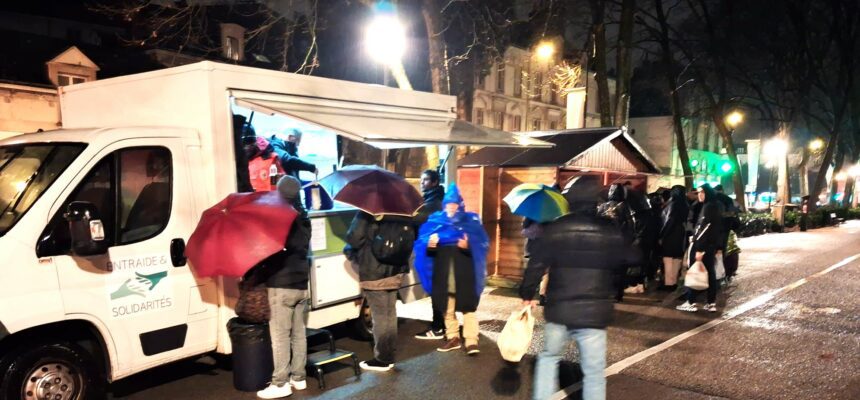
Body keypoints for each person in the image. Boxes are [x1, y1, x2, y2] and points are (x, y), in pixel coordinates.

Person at [521, 175, 640, 400]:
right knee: (593, 371)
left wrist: (527, 292)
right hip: (595, 311)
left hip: (560, 308)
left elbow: (537, 263)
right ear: (594, 201)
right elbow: (631, 256)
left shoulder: (557, 227)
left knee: (548, 358)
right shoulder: (607, 228)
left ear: (571, 201)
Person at [413, 185, 489, 355]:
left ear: (460, 205)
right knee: (447, 309)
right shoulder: (435, 222)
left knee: (468, 309)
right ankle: (453, 337)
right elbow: (427, 253)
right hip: (444, 273)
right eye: (448, 204)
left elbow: (482, 246)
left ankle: (471, 341)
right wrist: (431, 245)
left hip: (464, 273)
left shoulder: (470, 222)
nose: (451, 207)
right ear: (444, 205)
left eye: (454, 204)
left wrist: (468, 246)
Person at [256, 176, 311, 399]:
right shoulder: (303, 218)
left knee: (280, 336)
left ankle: (280, 383)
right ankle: (299, 378)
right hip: (301, 283)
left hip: (281, 284)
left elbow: (271, 250)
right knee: (299, 334)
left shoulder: (278, 218)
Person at [345, 210, 415, 372]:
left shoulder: (367, 212)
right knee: (390, 314)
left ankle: (383, 359)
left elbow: (353, 238)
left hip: (374, 271)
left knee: (381, 317)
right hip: (396, 270)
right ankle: (388, 354)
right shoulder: (403, 213)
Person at [676, 184, 725, 313]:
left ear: (707, 193)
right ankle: (710, 302)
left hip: (702, 246)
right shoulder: (714, 206)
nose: (699, 195)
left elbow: (704, 228)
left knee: (695, 272)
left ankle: (691, 301)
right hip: (710, 245)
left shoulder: (708, 207)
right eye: (698, 193)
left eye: (702, 192)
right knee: (710, 273)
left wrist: (699, 247)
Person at [413, 169, 447, 340]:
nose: (422, 183)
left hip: (437, 251)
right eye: (421, 179)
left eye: (425, 180)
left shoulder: (433, 203)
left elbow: (418, 221)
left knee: (437, 289)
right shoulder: (435, 199)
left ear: (434, 182)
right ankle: (445, 325)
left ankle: (438, 327)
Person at [658, 186, 689, 291]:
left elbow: (669, 220)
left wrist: (662, 235)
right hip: (680, 234)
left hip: (671, 235)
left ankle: (669, 283)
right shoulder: (685, 204)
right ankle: (674, 282)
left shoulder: (673, 204)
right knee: (676, 259)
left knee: (668, 259)